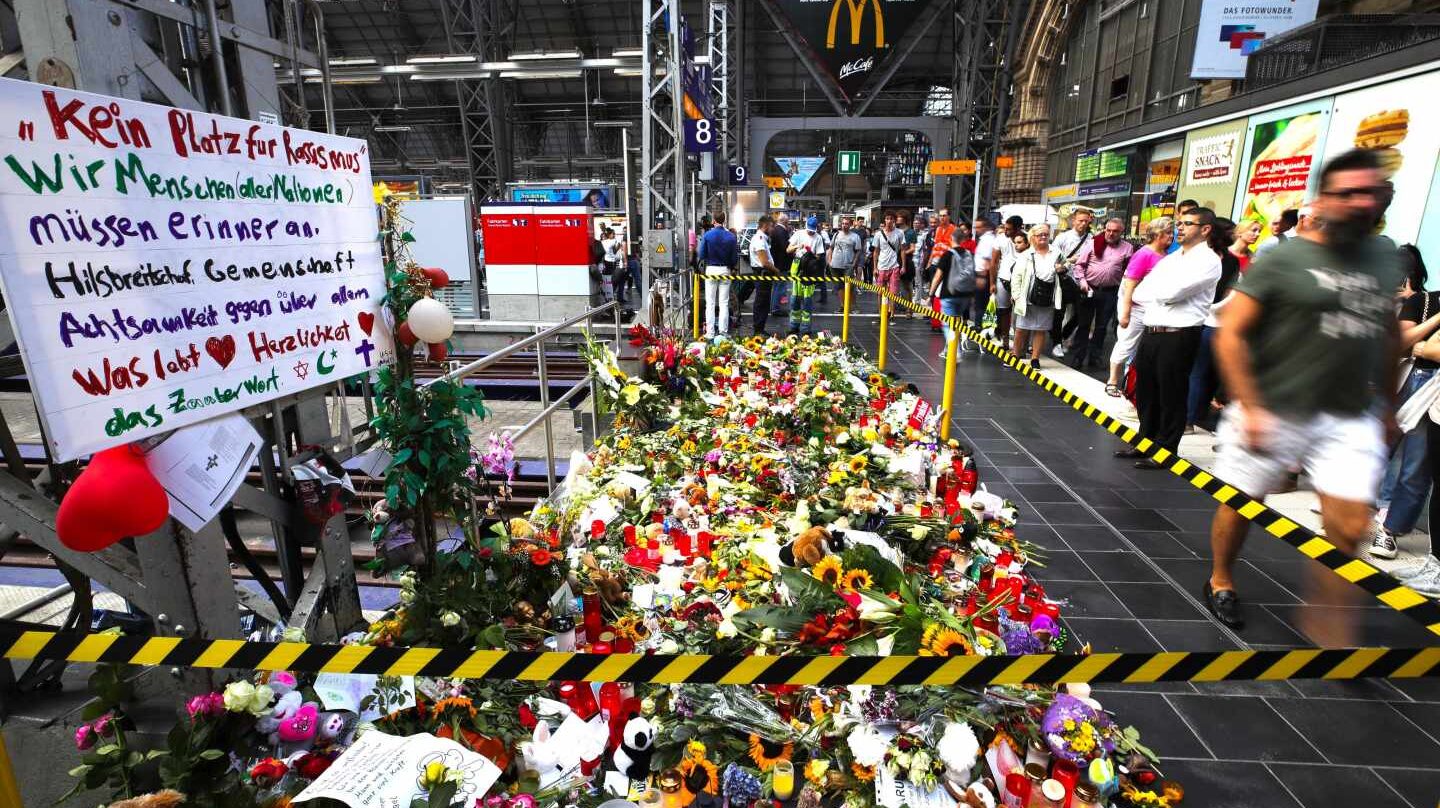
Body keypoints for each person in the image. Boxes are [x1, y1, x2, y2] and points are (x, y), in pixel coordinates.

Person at [1205, 149, 1402, 644]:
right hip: (1275, 403)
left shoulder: (1383, 258)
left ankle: (1329, 621)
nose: (1360, 202)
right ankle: (1221, 578)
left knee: (1352, 522)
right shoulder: (1286, 257)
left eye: (1370, 193)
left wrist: (1389, 409)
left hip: (1348, 412)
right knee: (1242, 501)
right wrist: (1248, 405)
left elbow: (1386, 335)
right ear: (1324, 199)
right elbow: (1231, 331)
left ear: (1384, 201)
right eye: (1347, 193)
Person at [1118, 206, 1221, 469]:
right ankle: (1146, 440)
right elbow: (1142, 292)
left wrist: (1162, 288)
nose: (1180, 228)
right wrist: (1161, 288)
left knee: (1171, 392)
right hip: (1153, 331)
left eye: (1187, 223)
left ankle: (1166, 449)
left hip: (1179, 334)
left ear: (1205, 229)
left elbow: (1172, 293)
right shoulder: (1173, 259)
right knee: (1147, 390)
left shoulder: (1208, 260)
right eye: (1179, 223)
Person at [1371, 245, 1440, 559]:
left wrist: (1426, 348)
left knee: (1416, 466)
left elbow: (1428, 349)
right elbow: (1404, 342)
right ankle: (1356, 506)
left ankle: (1391, 529)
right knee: (1378, 447)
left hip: (1431, 387)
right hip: (1412, 379)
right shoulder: (1425, 300)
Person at [1183, 218, 1243, 434]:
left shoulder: (1197, 256)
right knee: (1205, 373)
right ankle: (1194, 415)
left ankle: (1188, 420)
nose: (1235, 236)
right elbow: (1229, 293)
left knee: (1196, 372)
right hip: (1215, 320)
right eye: (1232, 232)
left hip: (1196, 319)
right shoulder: (1231, 261)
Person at [1106, 217, 1172, 397]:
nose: (1171, 236)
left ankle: (1131, 382)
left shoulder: (1165, 256)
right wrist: (1125, 312)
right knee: (1126, 343)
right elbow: (1130, 284)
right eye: (1168, 233)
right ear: (1157, 234)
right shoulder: (1144, 254)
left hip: (1153, 308)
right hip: (1136, 307)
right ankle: (1112, 380)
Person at [1067, 217, 1136, 369]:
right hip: (1089, 289)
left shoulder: (1127, 248)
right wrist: (1083, 282)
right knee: (1084, 324)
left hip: (1110, 292)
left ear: (1121, 232)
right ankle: (1078, 356)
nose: (1111, 234)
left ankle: (1094, 356)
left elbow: (1128, 270)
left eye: (1115, 231)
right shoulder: (1092, 244)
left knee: (1102, 327)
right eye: (1108, 230)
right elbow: (1079, 266)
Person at [1011, 224, 1064, 367]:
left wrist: (1062, 268)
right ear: (1032, 237)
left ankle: (1035, 358)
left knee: (1041, 329)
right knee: (1021, 328)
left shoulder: (1056, 253)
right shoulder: (1026, 255)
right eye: (1040, 234)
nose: (1043, 237)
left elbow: (1065, 269)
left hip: (1047, 296)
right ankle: (1015, 355)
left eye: (1046, 234)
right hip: (1027, 296)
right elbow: (1016, 276)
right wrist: (1016, 295)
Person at [1050, 209, 1094, 358]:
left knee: (1080, 314)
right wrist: (1069, 261)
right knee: (1059, 313)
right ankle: (1057, 343)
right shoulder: (1063, 238)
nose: (1083, 223)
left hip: (1081, 281)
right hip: (1063, 279)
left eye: (1086, 221)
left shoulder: (1091, 239)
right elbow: (1053, 259)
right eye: (1080, 220)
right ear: (1073, 221)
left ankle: (1063, 336)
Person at [928, 227, 976, 358]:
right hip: (965, 294)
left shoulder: (948, 254)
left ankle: (956, 352)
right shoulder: (969, 254)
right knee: (957, 323)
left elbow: (938, 277)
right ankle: (947, 349)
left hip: (949, 294)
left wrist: (931, 294)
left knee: (948, 325)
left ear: (951, 238)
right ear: (963, 239)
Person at [698, 210, 739, 338]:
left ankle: (710, 333)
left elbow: (701, 254)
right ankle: (723, 332)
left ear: (713, 221)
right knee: (724, 302)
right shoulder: (731, 237)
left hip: (711, 270)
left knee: (710, 303)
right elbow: (734, 258)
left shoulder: (708, 235)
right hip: (725, 270)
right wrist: (731, 267)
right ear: (724, 221)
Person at [787, 216, 824, 335]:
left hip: (809, 272)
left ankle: (806, 328)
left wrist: (810, 253)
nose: (810, 232)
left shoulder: (818, 238)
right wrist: (798, 247)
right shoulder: (798, 234)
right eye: (809, 230)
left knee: (807, 302)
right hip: (797, 271)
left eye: (812, 231)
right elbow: (788, 250)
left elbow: (819, 256)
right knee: (795, 300)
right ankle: (794, 326)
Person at [993, 215, 1025, 351]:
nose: (1006, 231)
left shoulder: (1028, 238)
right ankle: (1005, 340)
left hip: (1022, 279)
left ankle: (1021, 344)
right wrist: (992, 283)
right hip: (1004, 278)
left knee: (1021, 312)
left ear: (1019, 228)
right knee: (1004, 311)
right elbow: (993, 262)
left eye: (1009, 229)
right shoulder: (1000, 239)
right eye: (1005, 228)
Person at [969, 217, 1001, 351]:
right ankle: (980, 327)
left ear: (986, 227)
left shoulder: (988, 240)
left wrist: (982, 277)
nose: (976, 230)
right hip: (981, 274)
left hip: (984, 275)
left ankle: (982, 330)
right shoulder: (985, 239)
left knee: (981, 304)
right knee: (979, 303)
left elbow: (989, 260)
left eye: (978, 227)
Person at [748, 215, 778, 336]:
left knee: (763, 302)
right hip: (763, 274)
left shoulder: (762, 238)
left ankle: (760, 328)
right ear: (765, 225)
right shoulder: (759, 239)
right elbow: (764, 262)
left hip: (763, 274)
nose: (773, 229)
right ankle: (758, 330)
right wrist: (776, 270)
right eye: (772, 226)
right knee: (761, 302)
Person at [871, 213, 907, 306]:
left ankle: (892, 313)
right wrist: (875, 267)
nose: (889, 221)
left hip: (894, 265)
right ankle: (880, 313)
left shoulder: (900, 233)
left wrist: (903, 266)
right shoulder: (878, 234)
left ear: (894, 220)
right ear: (884, 220)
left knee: (893, 292)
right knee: (880, 292)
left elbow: (903, 250)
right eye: (887, 218)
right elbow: (876, 252)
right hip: (881, 266)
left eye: (891, 219)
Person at [827, 218, 864, 306]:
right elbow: (831, 248)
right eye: (843, 223)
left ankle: (853, 306)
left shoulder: (855, 236)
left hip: (848, 265)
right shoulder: (836, 234)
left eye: (846, 224)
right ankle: (842, 305)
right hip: (835, 265)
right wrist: (829, 261)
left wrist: (854, 263)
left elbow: (858, 251)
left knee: (850, 287)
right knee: (839, 287)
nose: (844, 225)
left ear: (850, 225)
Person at [768, 213, 792, 317]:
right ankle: (776, 309)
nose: (789, 222)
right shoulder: (782, 231)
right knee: (780, 287)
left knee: (777, 286)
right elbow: (785, 248)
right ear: (785, 221)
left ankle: (774, 307)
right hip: (782, 264)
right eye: (788, 220)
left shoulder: (775, 230)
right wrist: (794, 247)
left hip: (776, 262)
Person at [602, 228, 626, 304]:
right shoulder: (613, 241)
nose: (614, 235)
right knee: (614, 279)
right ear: (609, 234)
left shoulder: (603, 242)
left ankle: (609, 296)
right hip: (612, 263)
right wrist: (619, 245)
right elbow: (616, 250)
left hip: (606, 263)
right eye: (613, 233)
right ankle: (613, 296)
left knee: (609, 280)